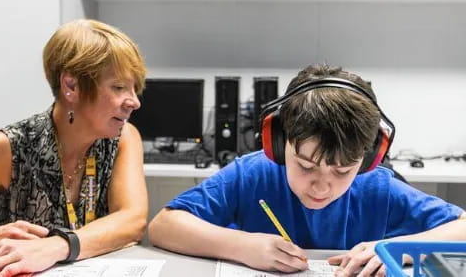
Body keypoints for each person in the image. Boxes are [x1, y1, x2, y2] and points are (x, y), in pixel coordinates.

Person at [148, 64, 466, 277]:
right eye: (306, 166)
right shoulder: (253, 174)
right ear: (278, 141)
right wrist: (241, 246)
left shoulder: (376, 186)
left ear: (368, 158)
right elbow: (164, 226)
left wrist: (399, 249)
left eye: (342, 171)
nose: (321, 188)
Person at [0, 19, 148, 276]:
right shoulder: (9, 147)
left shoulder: (124, 138)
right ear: (71, 86)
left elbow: (132, 220)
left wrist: (57, 247)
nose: (134, 102)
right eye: (119, 87)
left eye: (135, 88)